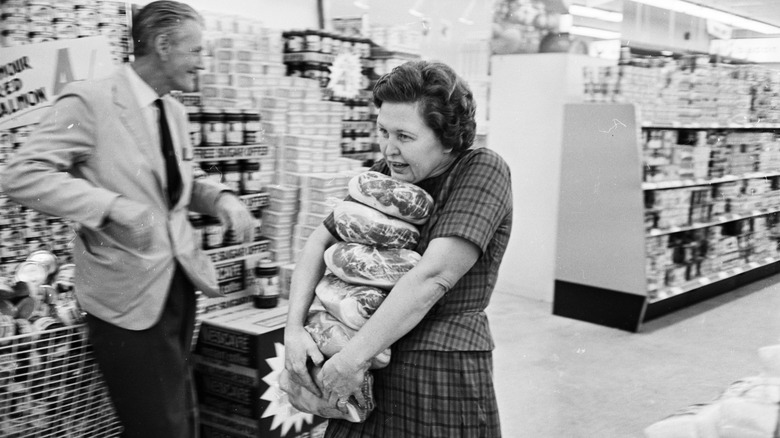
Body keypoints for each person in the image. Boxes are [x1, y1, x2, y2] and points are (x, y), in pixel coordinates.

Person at [1, 2, 254, 437]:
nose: (202, 61)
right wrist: (110, 205)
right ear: (162, 45)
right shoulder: (90, 100)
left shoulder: (171, 110)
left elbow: (179, 181)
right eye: (195, 50)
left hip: (177, 281)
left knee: (181, 412)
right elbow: (20, 174)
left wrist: (222, 197)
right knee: (159, 427)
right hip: (124, 296)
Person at [284, 60, 513, 437]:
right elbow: (319, 240)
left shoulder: (482, 170)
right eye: (382, 132)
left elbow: (433, 277)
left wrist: (350, 361)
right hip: (367, 358)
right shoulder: (386, 175)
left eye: (405, 137)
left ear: (447, 136)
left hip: (438, 366)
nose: (389, 149)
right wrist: (293, 330)